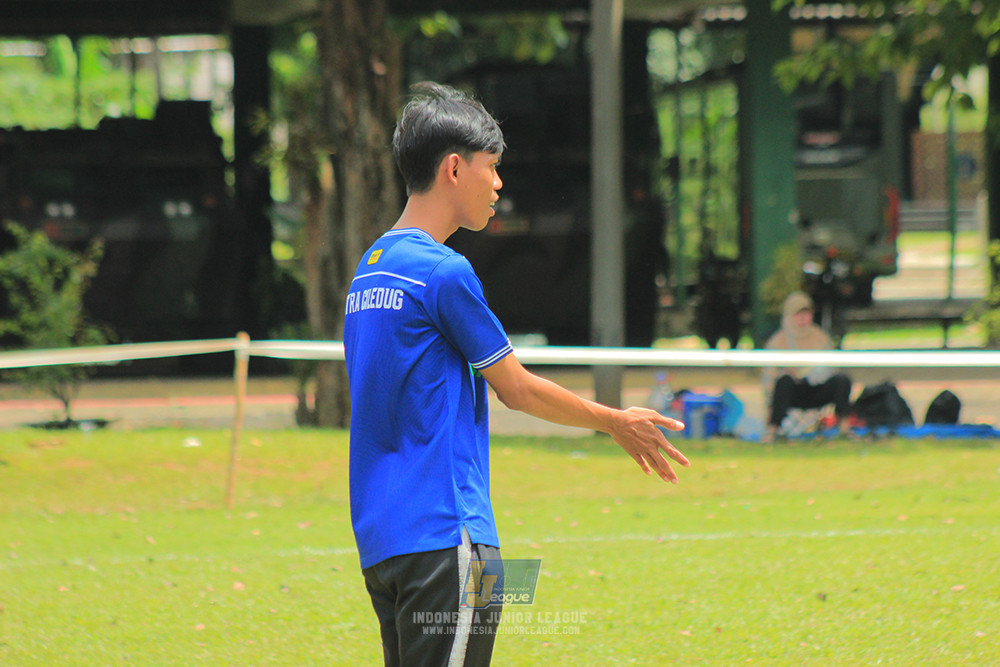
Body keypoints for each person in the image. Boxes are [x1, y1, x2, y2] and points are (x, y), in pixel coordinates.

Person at [343, 81, 690, 667]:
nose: (499, 184)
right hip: (450, 538)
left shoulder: (369, 272)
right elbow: (517, 388)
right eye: (492, 167)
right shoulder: (443, 274)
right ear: (454, 168)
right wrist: (614, 421)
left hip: (384, 543)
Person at [764, 291, 853, 439]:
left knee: (842, 380)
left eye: (807, 313)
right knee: (783, 382)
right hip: (793, 391)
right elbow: (769, 376)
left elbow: (832, 365)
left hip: (818, 388)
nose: (803, 318)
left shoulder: (820, 336)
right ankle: (773, 430)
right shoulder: (778, 341)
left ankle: (844, 428)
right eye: (799, 314)